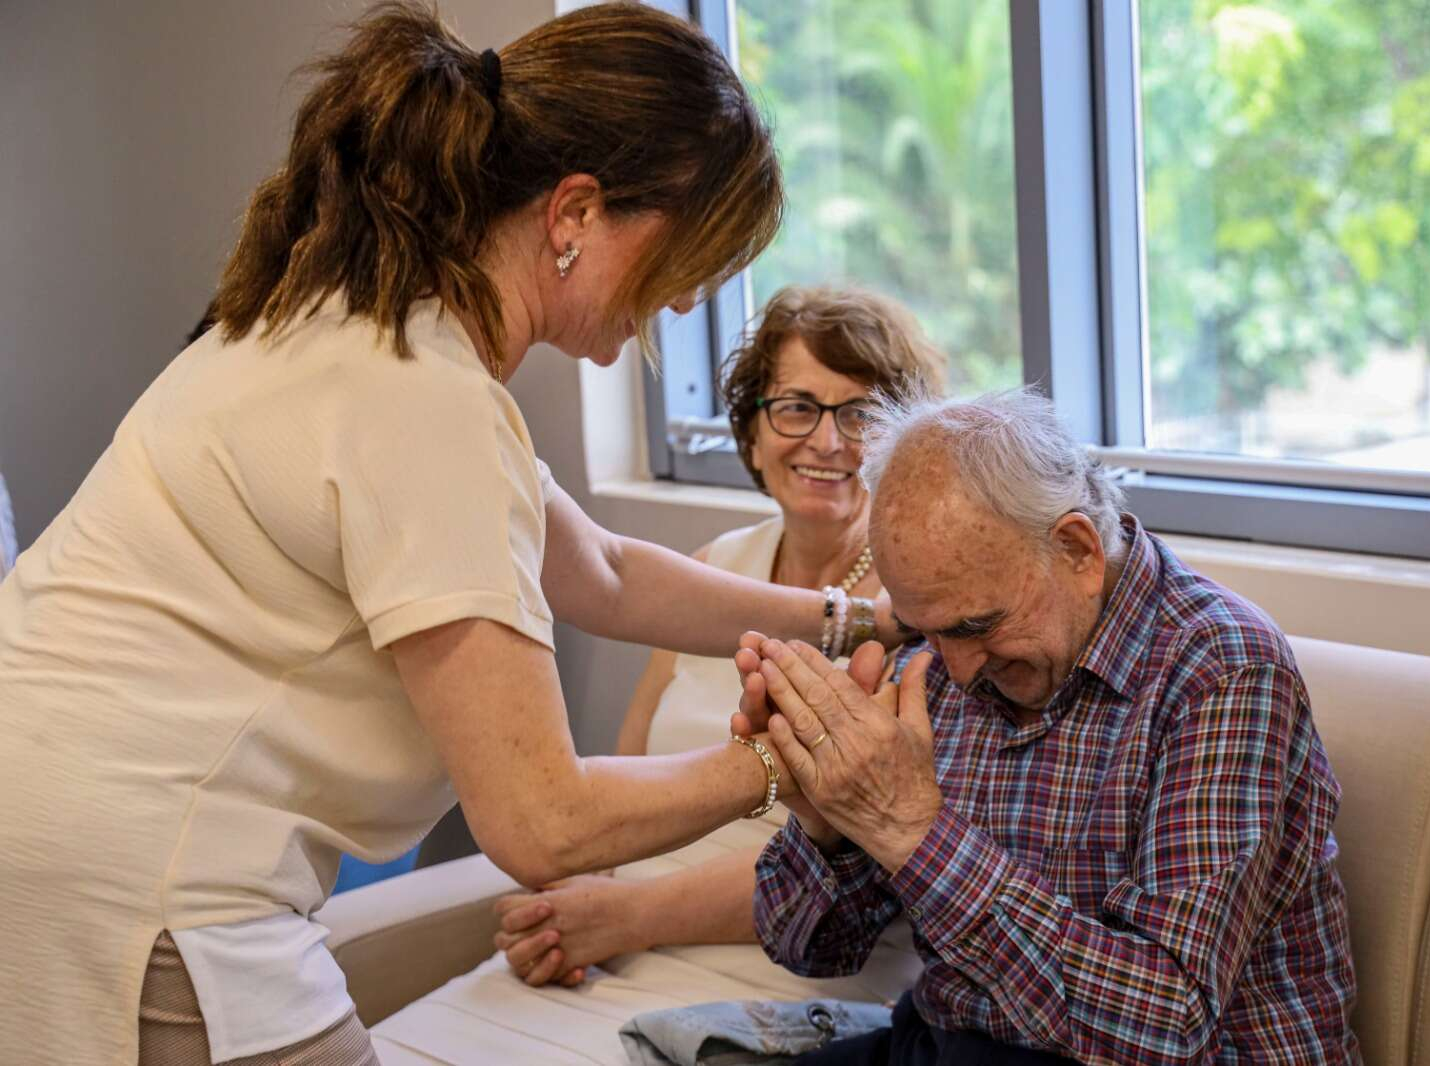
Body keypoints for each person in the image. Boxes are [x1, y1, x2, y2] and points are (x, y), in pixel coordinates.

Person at [0, 5, 895, 1064]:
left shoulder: (360, 325)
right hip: (138, 880)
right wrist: (794, 758)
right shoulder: (423, 400)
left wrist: (852, 617)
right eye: (690, 254)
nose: (692, 294)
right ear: (576, 210)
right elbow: (541, 824)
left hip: (58, 836)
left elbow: (600, 572)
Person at [739, 390, 1361, 1064]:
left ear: (1077, 551)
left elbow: (1164, 1027)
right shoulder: (946, 662)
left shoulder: (1221, 671)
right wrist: (831, 826)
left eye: (976, 627)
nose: (955, 667)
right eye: (926, 632)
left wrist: (910, 833)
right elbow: (809, 949)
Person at [492, 284, 947, 985]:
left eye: (859, 415)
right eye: (797, 408)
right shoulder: (710, 571)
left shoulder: (919, 608)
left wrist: (624, 914)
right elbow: (631, 759)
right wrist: (572, 913)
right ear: (754, 431)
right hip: (611, 935)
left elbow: (868, 852)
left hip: (783, 964)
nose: (826, 441)